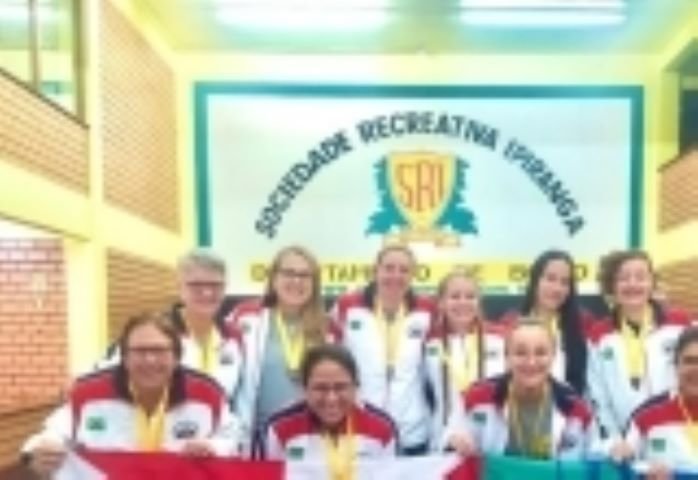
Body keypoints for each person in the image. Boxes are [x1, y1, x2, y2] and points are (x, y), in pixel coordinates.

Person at [22, 313, 240, 478]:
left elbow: (233, 436)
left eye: (159, 350)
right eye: (140, 351)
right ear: (124, 357)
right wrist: (39, 449)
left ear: (176, 357)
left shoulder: (207, 393)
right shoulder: (90, 392)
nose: (150, 360)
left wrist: (215, 447)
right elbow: (53, 432)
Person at [330, 245, 435, 455]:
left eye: (404, 270)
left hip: (411, 429)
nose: (396, 275)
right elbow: (330, 361)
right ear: (375, 270)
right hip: (360, 426)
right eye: (389, 268)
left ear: (413, 275)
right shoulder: (347, 306)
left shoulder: (427, 310)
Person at [98, 249, 241, 400]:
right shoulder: (152, 332)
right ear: (179, 287)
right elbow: (102, 379)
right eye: (196, 285)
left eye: (216, 285)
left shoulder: (235, 337)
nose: (207, 293)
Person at [444, 319, 594, 460]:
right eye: (521, 353)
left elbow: (595, 452)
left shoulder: (575, 408)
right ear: (507, 357)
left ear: (553, 357)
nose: (531, 362)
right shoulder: (477, 396)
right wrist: (455, 440)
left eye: (540, 353)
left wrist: (606, 450)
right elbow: (449, 437)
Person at [587, 250, 694, 449]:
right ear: (611, 285)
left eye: (640, 277)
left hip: (673, 435)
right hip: (622, 445)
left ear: (652, 283)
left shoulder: (680, 325)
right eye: (623, 278)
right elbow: (597, 396)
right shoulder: (598, 335)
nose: (633, 284)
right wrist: (614, 441)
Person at [226, 245, 327, 454]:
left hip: (308, 437)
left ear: (314, 283)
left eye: (305, 275)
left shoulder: (329, 328)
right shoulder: (245, 316)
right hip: (256, 436)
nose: (296, 281)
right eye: (289, 273)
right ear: (274, 278)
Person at [256, 344, 397, 476]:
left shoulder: (383, 427)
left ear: (355, 387)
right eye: (320, 388)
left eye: (340, 387)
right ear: (304, 389)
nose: (331, 399)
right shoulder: (278, 428)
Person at [425, 270, 505, 449]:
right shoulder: (428, 341)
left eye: (470, 296)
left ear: (479, 302)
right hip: (444, 441)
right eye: (455, 296)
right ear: (441, 303)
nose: (463, 302)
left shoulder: (500, 339)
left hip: (490, 439)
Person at [611, 325, 698, 478]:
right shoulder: (646, 417)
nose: (696, 369)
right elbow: (621, 469)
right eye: (689, 361)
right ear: (676, 365)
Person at [500, 250, 590, 394]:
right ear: (535, 280)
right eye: (550, 279)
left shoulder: (583, 324)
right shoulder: (510, 322)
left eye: (564, 282)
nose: (557, 288)